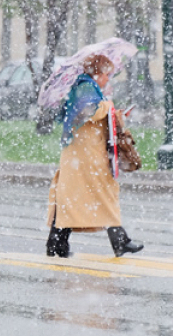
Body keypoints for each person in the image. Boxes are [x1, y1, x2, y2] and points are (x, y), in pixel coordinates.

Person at [46, 54, 144, 258]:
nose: (108, 78)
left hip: (83, 154)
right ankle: (118, 241)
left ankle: (57, 243)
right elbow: (92, 111)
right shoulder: (85, 87)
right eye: (106, 74)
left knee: (73, 197)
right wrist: (109, 105)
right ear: (97, 72)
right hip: (85, 155)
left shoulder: (87, 86)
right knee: (98, 194)